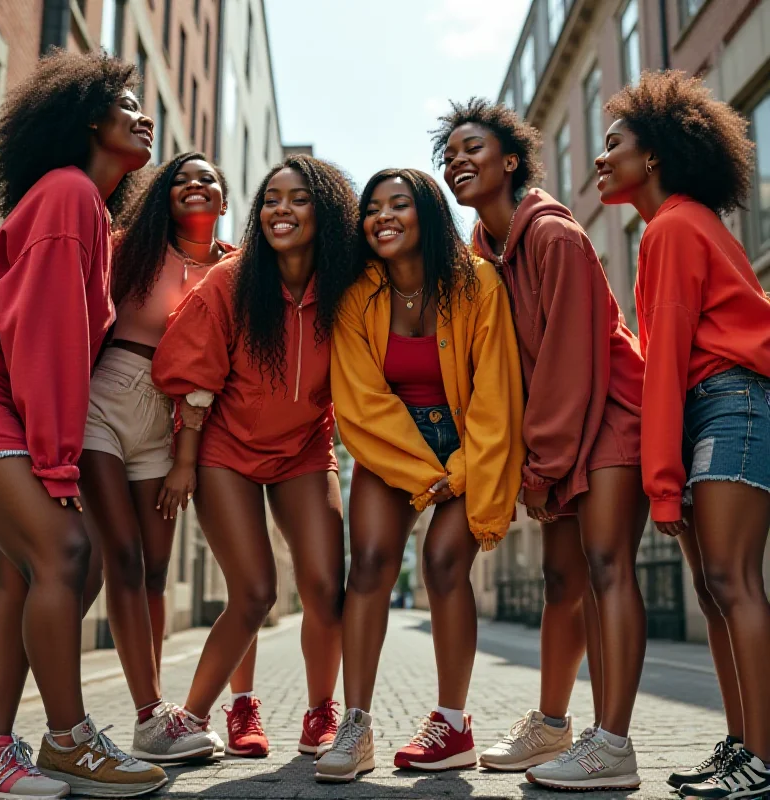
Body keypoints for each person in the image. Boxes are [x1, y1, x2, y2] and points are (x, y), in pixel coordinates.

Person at [435, 98, 648, 791]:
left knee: (607, 565)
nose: (458, 161)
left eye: (474, 149)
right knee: (561, 580)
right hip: (557, 432)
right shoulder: (481, 256)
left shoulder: (554, 235)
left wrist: (544, 461)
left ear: (511, 162)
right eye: (450, 154)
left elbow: (569, 359)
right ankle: (552, 725)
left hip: (612, 413)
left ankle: (612, 744)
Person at [0, 50, 168, 798]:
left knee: (22, 573)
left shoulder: (83, 206)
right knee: (68, 552)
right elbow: (46, 339)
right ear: (88, 117)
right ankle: (68, 739)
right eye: (127, 104)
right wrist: (58, 462)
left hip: (3, 405)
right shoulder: (67, 195)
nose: (143, 116)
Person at [316, 168, 525, 783]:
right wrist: (421, 470)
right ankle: (354, 726)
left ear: (427, 213)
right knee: (373, 562)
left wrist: (459, 470)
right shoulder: (357, 297)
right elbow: (358, 401)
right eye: (373, 208)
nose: (382, 216)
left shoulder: (476, 282)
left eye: (398, 205)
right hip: (392, 444)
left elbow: (495, 388)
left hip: (471, 439)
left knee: (441, 563)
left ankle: (453, 724)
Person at [597, 71, 770, 800]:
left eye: (614, 145)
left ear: (656, 156)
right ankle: (740, 745)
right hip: (717, 403)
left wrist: (659, 482)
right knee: (711, 587)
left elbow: (665, 361)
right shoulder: (679, 224)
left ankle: (761, 759)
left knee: (732, 580)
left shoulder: (672, 226)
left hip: (731, 402)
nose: (601, 159)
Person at [152, 154, 358, 760]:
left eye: (298, 199)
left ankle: (322, 713)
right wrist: (186, 461)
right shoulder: (232, 281)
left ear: (326, 214)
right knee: (254, 591)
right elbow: (194, 377)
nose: (281, 211)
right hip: (226, 449)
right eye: (271, 199)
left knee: (325, 586)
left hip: (303, 449)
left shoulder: (347, 286)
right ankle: (209, 715)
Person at [80, 151, 235, 762]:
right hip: (105, 396)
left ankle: (154, 714)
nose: (194, 186)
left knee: (154, 567)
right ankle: (148, 714)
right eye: (181, 179)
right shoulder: (131, 247)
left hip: (169, 422)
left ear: (224, 200)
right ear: (164, 197)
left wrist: (187, 455)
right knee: (118, 553)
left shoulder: (235, 270)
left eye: (207, 179)